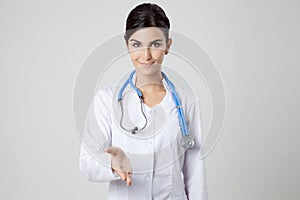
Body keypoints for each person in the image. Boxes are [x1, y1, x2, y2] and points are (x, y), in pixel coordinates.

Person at [79, 3, 209, 200]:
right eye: (137, 44)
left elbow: (196, 176)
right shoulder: (107, 100)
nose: (146, 55)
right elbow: (86, 162)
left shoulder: (187, 102)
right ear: (127, 45)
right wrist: (112, 163)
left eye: (156, 44)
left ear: (168, 45)